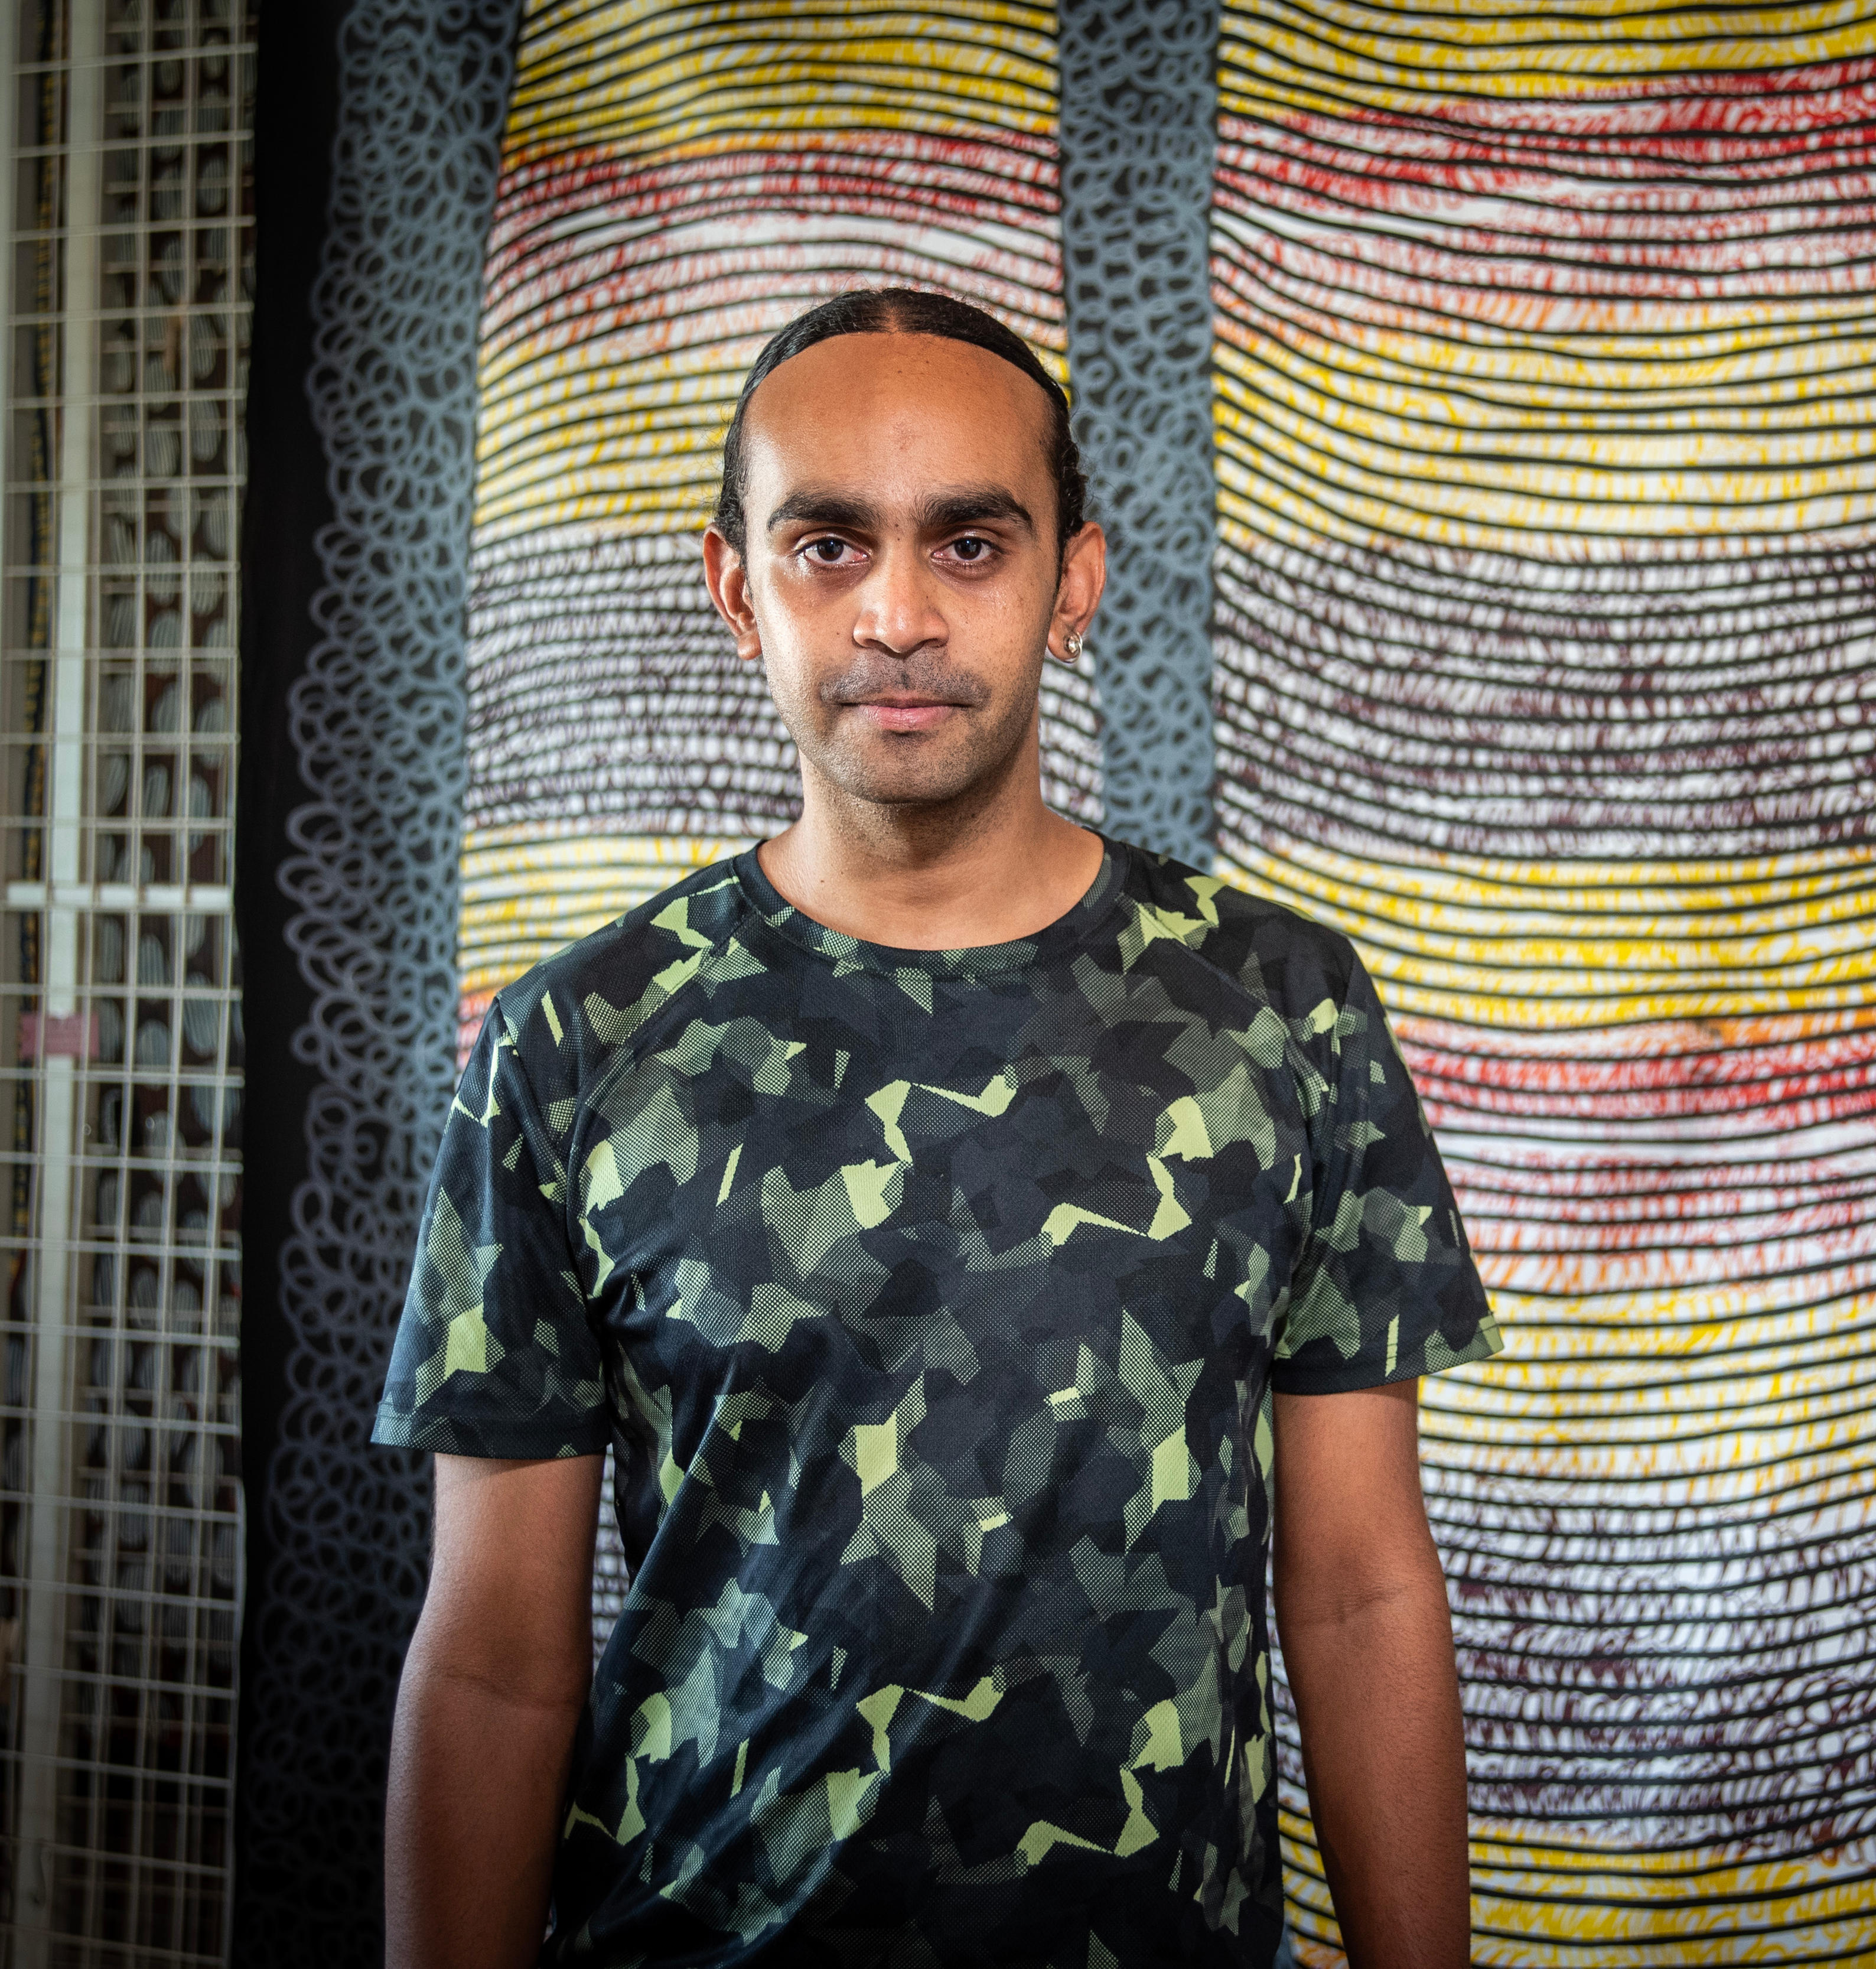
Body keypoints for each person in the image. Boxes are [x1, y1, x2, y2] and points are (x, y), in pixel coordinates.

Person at [374, 288, 1499, 1968]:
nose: (898, 612)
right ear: (734, 585)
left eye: (970, 544)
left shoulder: (1281, 1009)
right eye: (830, 545)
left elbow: (1356, 1588)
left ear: (1077, 583)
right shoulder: (576, 1040)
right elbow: (493, 1659)